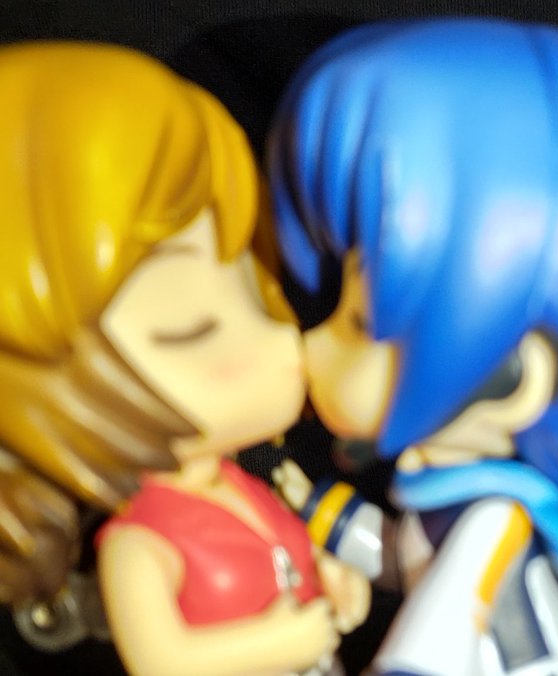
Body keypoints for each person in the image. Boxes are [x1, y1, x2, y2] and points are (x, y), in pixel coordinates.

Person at [268, 18, 558, 674]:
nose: (308, 346)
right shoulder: (444, 492)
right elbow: (404, 561)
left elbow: (435, 639)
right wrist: (320, 512)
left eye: (356, 323)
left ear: (514, 379)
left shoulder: (493, 519)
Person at [0, 42, 367, 674]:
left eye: (256, 294)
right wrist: (274, 646)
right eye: (190, 330)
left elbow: (285, 557)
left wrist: (332, 576)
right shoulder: (137, 541)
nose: (282, 344)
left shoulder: (243, 483)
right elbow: (160, 661)